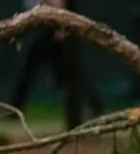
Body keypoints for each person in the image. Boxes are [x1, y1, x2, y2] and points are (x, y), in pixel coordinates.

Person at [10, 0, 103, 130]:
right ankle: (14, 109)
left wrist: (61, 26)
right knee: (32, 71)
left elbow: (58, 2)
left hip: (49, 27)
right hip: (41, 26)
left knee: (69, 73)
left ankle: (97, 107)